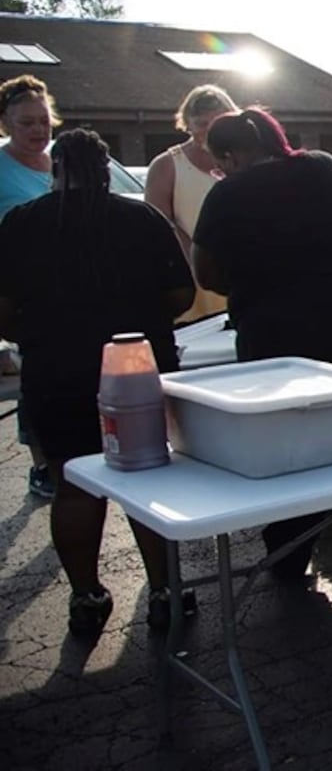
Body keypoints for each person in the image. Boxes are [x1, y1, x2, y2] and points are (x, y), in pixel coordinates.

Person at [192, 107, 332, 578]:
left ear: (231, 156)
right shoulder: (324, 168)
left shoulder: (228, 193)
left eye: (221, 162)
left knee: (287, 446)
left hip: (278, 341)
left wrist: (255, 284)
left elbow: (204, 273)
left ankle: (288, 556)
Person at [0, 129, 197, 638]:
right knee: (146, 480)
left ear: (55, 170)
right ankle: (165, 591)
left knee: (73, 485)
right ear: (107, 168)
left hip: (55, 373)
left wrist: (39, 335)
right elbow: (180, 293)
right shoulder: (139, 218)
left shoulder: (21, 224)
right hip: (135, 368)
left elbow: (2, 311)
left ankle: (86, 595)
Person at [0, 74, 63, 500]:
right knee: (35, 376)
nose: (38, 131)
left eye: (43, 121)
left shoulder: (61, 161)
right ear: (5, 124)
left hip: (69, 284)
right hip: (19, 288)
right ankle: (42, 464)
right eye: (27, 123)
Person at [144, 84, 239, 324]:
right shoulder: (166, 165)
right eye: (201, 124)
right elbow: (157, 227)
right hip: (190, 288)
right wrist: (197, 258)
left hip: (236, 284)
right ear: (187, 124)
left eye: (216, 123)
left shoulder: (241, 161)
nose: (209, 132)